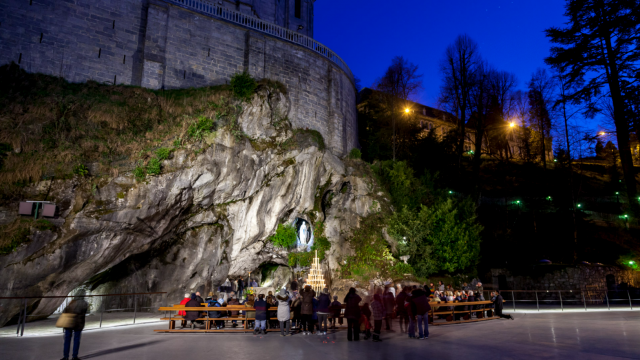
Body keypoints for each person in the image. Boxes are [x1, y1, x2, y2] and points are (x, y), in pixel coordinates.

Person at [60, 295, 88, 360]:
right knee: (76, 340)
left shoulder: (72, 302)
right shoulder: (84, 303)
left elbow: (65, 311)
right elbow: (85, 312)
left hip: (69, 323)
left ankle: (66, 357)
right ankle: (74, 356)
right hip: (78, 324)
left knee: (67, 340)